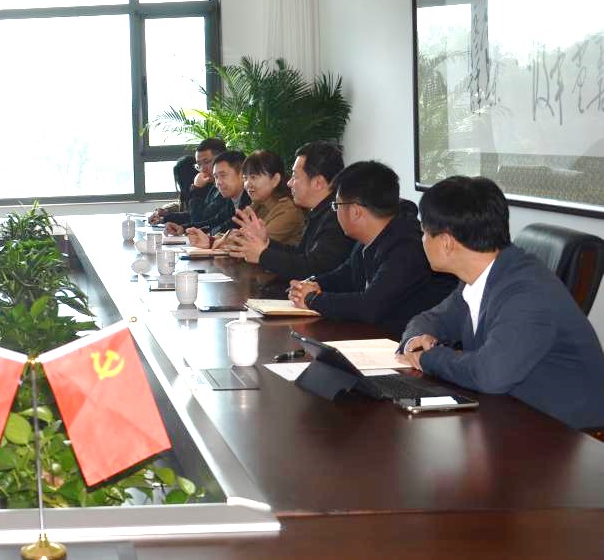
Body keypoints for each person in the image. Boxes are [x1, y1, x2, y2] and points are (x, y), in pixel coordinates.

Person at [399, 176, 604, 429]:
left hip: (569, 434)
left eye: (424, 233)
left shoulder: (529, 293)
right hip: (511, 412)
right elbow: (432, 319)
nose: (422, 240)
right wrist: (415, 340)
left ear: (447, 242)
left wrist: (429, 358)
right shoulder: (482, 275)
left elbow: (490, 374)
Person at [288, 161, 457, 332]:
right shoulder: (370, 238)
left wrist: (312, 299)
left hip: (406, 341)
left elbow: (370, 306)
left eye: (336, 205)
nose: (335, 212)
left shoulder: (407, 248)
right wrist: (308, 286)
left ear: (356, 212)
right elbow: (345, 275)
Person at [227, 141, 354, 279]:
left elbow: (313, 268)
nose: (289, 183)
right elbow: (300, 254)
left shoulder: (337, 216)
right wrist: (266, 243)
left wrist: (263, 255)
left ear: (318, 183)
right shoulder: (321, 212)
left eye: (295, 176)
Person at [167, 150, 248, 243]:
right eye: (216, 177)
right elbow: (214, 221)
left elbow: (228, 227)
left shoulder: (249, 201)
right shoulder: (230, 200)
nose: (218, 183)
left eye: (223, 175)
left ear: (242, 175)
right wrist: (182, 228)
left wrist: (211, 237)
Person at [235, 150, 304, 245]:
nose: (247, 184)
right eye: (245, 178)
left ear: (275, 180)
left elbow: (254, 243)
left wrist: (220, 241)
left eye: (253, 177)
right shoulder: (257, 205)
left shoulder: (288, 210)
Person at [156, 138, 227, 227]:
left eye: (207, 162)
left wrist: (197, 189)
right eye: (199, 165)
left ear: (222, 159)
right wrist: (180, 227)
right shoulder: (214, 188)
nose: (202, 169)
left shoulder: (225, 189)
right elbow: (203, 219)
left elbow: (199, 221)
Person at [146, 155, 198, 223]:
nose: (179, 183)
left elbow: (191, 215)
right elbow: (182, 206)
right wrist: (165, 210)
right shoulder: (186, 191)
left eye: (180, 179)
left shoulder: (199, 190)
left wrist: (164, 218)